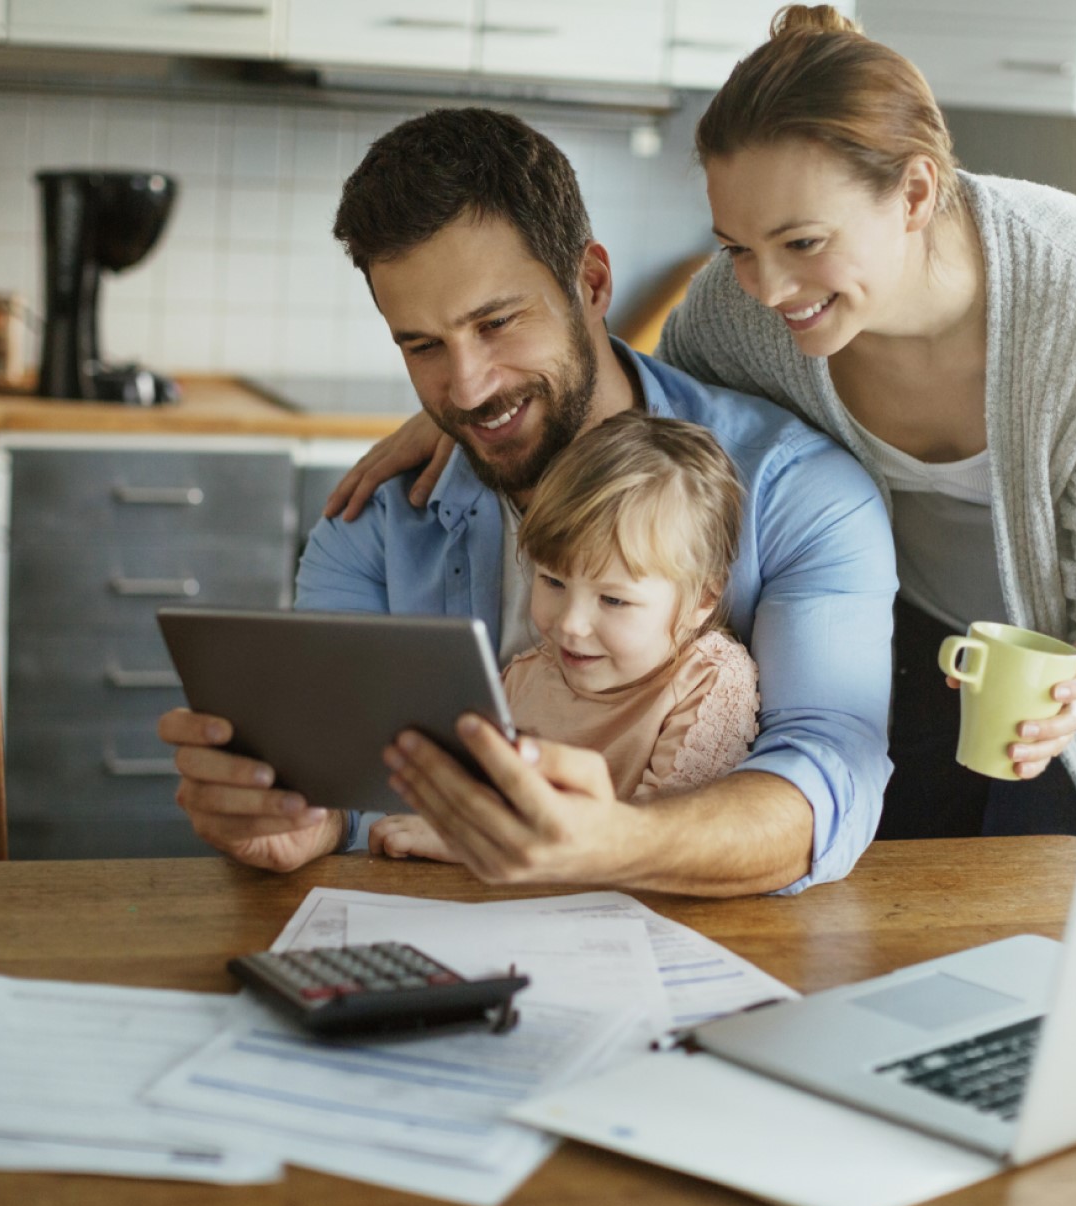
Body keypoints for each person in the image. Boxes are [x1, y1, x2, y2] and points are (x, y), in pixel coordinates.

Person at [326, 8, 1076, 840]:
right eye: (736, 247)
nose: (770, 288)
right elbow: (647, 412)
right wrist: (469, 414)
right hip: (918, 631)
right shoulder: (740, 308)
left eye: (802, 243)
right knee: (897, 887)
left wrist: (1062, 702)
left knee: (1057, 874)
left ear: (914, 194)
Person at [158, 107, 898, 895]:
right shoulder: (373, 523)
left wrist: (621, 841)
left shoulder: (800, 493)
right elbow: (347, 778)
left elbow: (828, 775)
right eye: (423, 345)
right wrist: (307, 816)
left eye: (497, 322)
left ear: (591, 283)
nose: (469, 386)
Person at [372, 412, 760, 862]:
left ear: (703, 599)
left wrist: (475, 844)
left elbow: (663, 848)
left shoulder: (709, 683)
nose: (571, 624)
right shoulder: (523, 679)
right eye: (553, 582)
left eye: (613, 600)